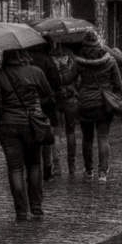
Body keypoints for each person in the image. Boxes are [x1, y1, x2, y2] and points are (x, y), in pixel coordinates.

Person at [0, 48, 57, 220]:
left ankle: (21, 211)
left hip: (8, 126)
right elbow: (49, 94)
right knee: (34, 165)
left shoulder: (0, 75)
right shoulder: (35, 72)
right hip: (32, 124)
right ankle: (36, 208)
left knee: (15, 168)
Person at [73, 30, 122, 182]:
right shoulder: (110, 60)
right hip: (103, 104)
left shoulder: (79, 61)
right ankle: (102, 173)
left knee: (87, 139)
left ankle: (89, 171)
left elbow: (69, 78)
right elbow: (118, 84)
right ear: (98, 42)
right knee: (103, 137)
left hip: (85, 103)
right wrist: (111, 94)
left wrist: (80, 89)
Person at [47, 39, 81, 177]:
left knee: (56, 133)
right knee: (70, 132)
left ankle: (57, 167)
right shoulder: (74, 59)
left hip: (56, 99)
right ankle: (71, 166)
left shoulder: (50, 58)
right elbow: (78, 82)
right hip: (71, 100)